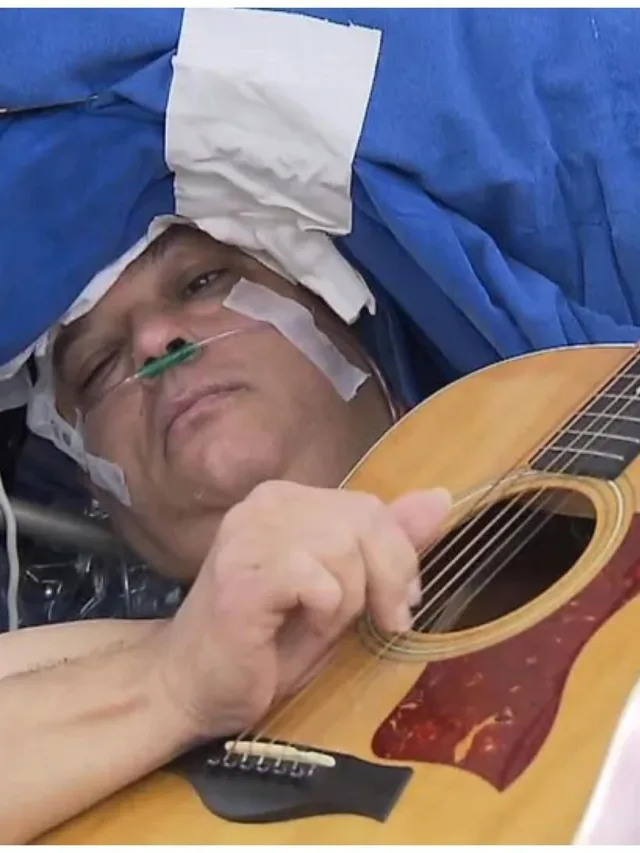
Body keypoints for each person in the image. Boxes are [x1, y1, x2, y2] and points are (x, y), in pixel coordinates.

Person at [0, 223, 453, 843]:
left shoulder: (559, 427)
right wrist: (173, 683)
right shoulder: (108, 682)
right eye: (99, 364)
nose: (157, 342)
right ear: (105, 499)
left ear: (350, 330)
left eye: (203, 282)